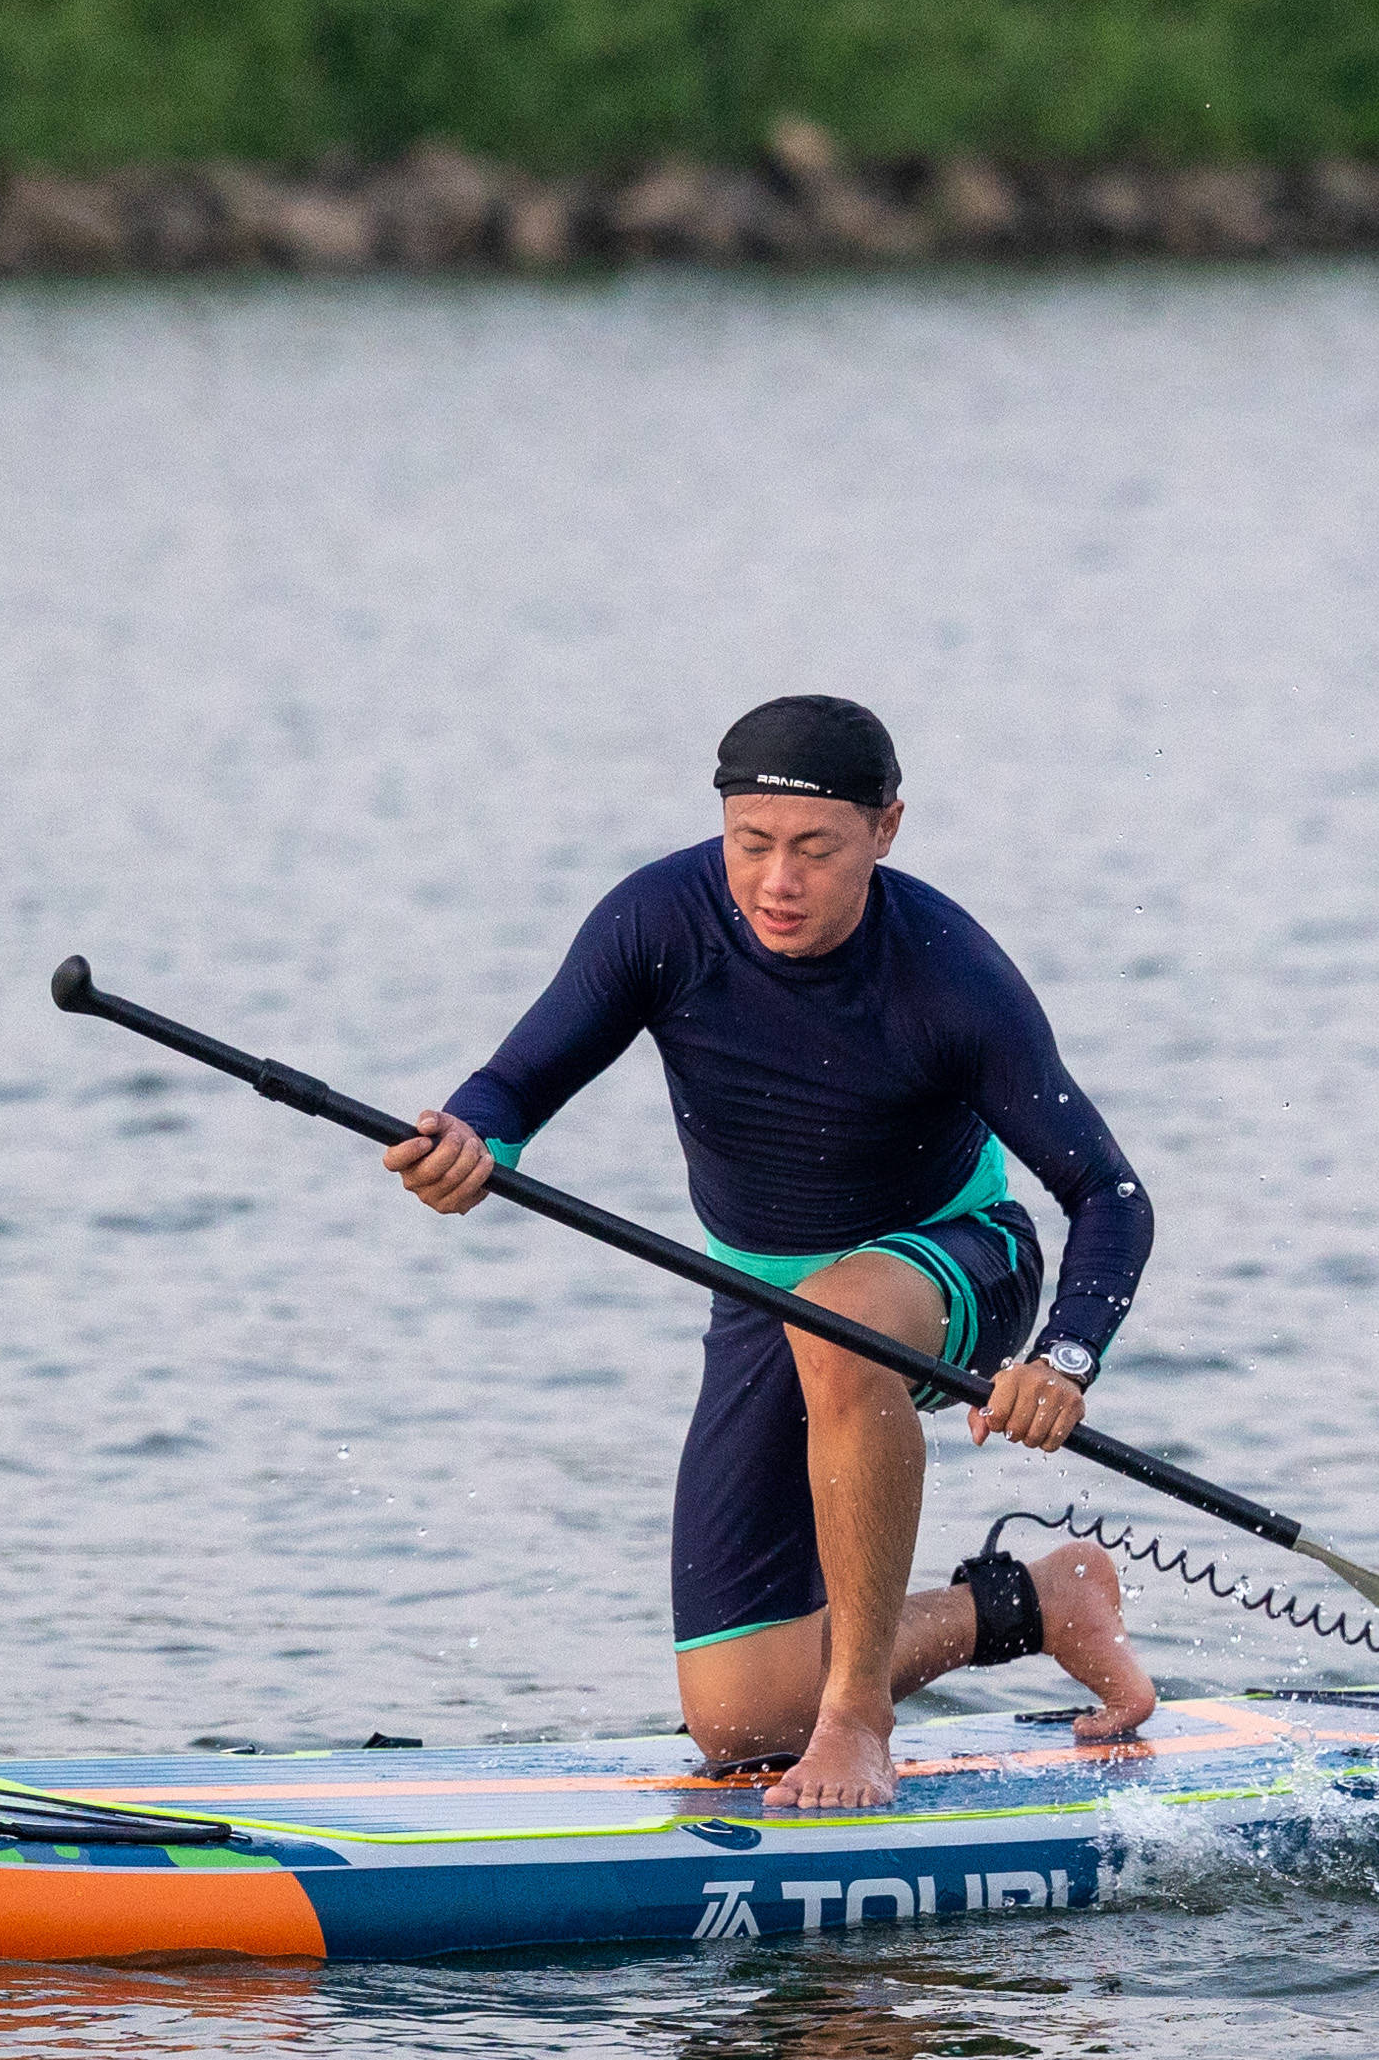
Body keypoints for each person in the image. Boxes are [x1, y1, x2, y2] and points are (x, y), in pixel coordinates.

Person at [381, 696, 1159, 1810]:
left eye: (813, 850)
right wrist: (463, 1143)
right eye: (751, 845)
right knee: (742, 1717)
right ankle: (1039, 1604)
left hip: (961, 1261)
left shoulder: (951, 973)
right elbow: (510, 1090)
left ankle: (858, 1724)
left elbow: (1110, 1195)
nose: (774, 884)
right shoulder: (658, 920)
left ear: (885, 831)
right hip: (759, 1291)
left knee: (830, 1325)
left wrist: (1066, 1357)